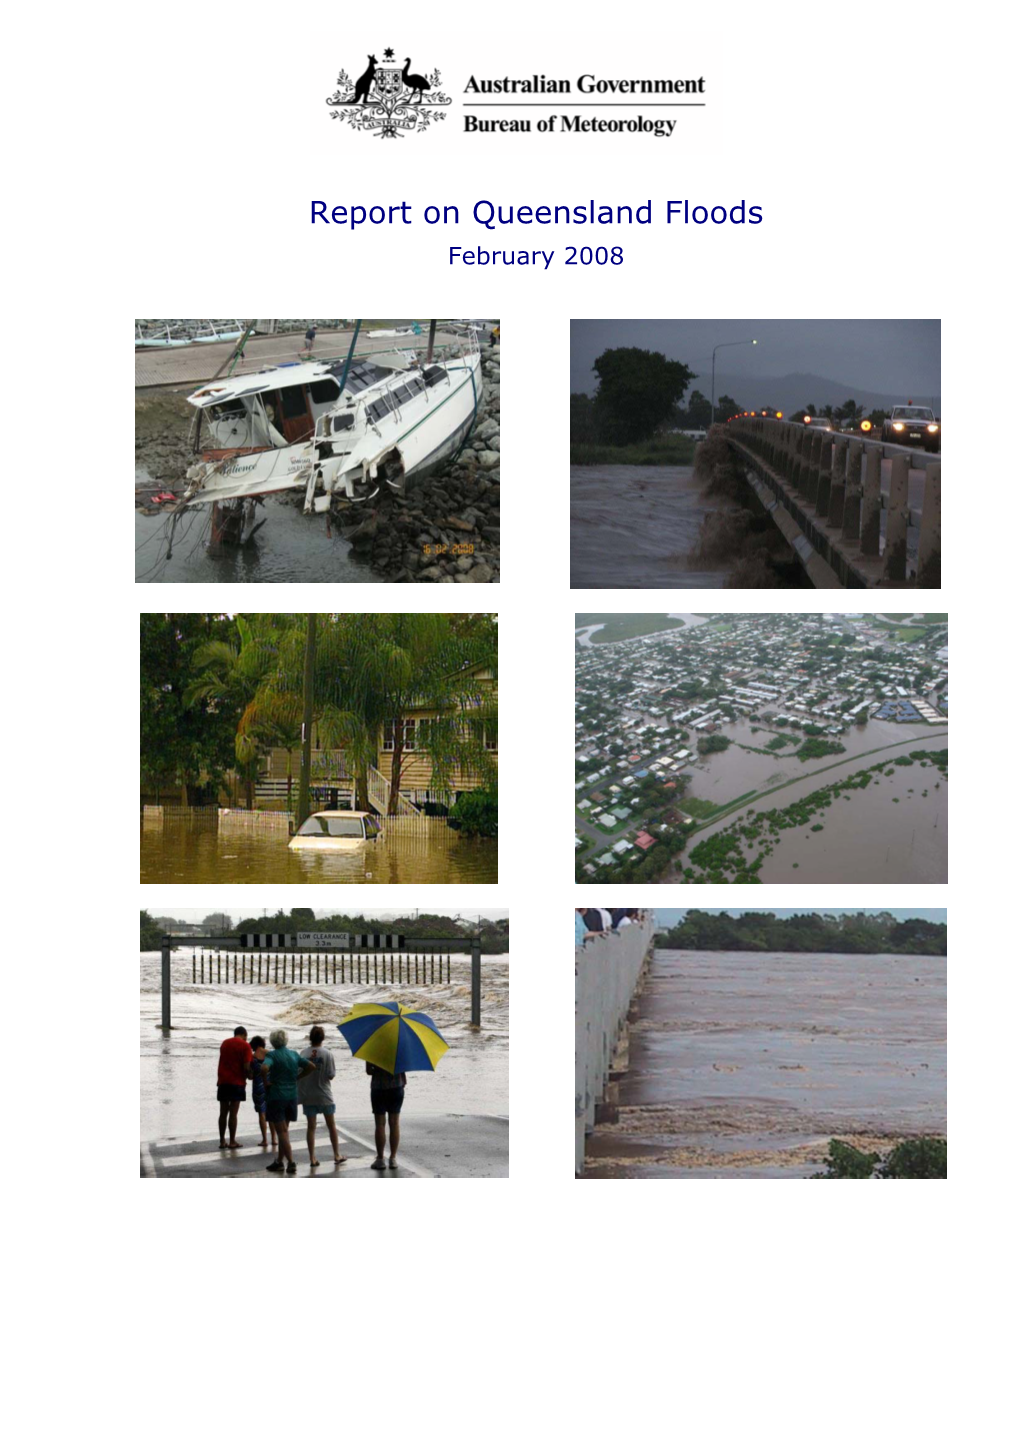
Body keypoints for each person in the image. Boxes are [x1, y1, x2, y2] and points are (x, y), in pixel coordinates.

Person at [262, 1029, 316, 1174]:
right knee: (284, 1131)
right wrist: (298, 1077)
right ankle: (279, 1162)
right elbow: (311, 1066)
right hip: (292, 1096)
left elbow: (264, 1067)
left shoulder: (272, 1055)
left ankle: (291, 1162)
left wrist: (266, 1082)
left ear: (273, 1041)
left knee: (282, 1132)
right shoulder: (293, 1054)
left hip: (277, 1096)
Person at [299, 1026, 347, 1168]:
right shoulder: (327, 1053)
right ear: (323, 1038)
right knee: (331, 1125)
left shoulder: (303, 1053)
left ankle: (312, 1158)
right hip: (324, 1095)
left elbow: (299, 1071)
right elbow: (331, 1075)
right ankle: (336, 1154)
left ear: (310, 1037)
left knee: (311, 1127)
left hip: (308, 1095)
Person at [217, 1026, 253, 1149]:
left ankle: (222, 1141)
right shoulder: (245, 1045)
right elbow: (247, 1066)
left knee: (223, 1113)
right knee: (233, 1114)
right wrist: (250, 1076)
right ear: (244, 1034)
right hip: (237, 1083)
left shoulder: (224, 1043)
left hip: (223, 1081)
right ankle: (232, 1141)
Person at [367, 1062, 406, 1170]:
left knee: (380, 1124)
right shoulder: (401, 1046)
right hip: (396, 1086)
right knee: (394, 1123)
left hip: (378, 1088)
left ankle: (380, 1159)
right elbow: (404, 1066)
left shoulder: (372, 1047)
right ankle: (393, 1159)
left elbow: (369, 1071)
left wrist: (379, 1069)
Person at [249, 1036, 277, 1150]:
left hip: (258, 1087)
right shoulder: (270, 1055)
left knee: (262, 1113)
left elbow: (250, 1076)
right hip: (270, 1086)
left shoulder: (252, 1057)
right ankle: (274, 1139)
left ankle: (265, 1140)